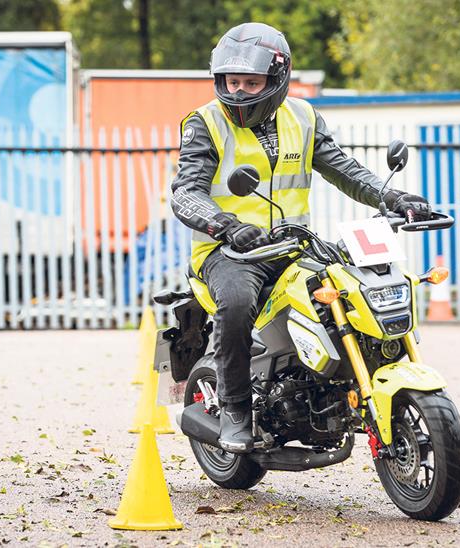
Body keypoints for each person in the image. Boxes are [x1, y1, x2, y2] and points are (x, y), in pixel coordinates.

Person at [170, 22, 432, 453]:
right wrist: (226, 225)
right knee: (235, 304)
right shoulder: (205, 123)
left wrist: (393, 197)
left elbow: (344, 170)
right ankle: (236, 410)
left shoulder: (304, 116)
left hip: (294, 244)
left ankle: (336, 386)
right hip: (229, 251)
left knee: (353, 284)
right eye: (231, 82)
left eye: (250, 83)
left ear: (277, 79)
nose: (238, 92)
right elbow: (187, 192)